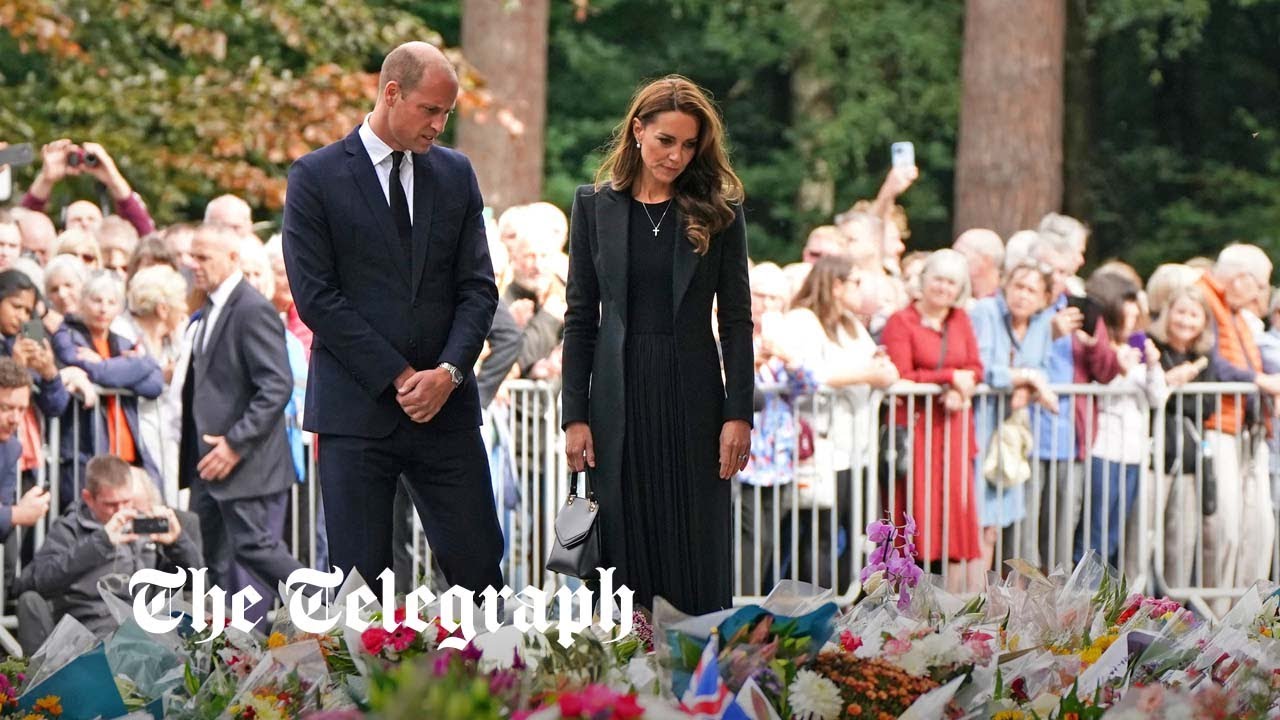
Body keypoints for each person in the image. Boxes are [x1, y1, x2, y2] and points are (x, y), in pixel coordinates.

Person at [283, 42, 503, 592]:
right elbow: (316, 297)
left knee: (480, 571)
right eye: (430, 110)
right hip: (356, 410)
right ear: (391, 93)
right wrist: (402, 378)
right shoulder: (315, 176)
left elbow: (478, 289)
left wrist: (448, 374)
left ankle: (498, 678)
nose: (439, 124)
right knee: (360, 587)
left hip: (446, 410)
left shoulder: (455, 173)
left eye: (446, 113)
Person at [561, 75, 753, 614]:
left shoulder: (719, 211)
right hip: (616, 402)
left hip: (694, 401)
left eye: (690, 144)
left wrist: (739, 413)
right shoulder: (594, 206)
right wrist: (573, 415)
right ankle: (623, 685)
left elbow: (737, 321)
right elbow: (580, 318)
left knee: (696, 545)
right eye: (666, 140)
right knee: (619, 555)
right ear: (638, 130)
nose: (677, 155)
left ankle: (699, 681)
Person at [180, 222, 301, 614]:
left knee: (258, 551)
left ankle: (327, 607)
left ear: (232, 259)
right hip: (207, 466)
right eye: (191, 255)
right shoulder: (209, 307)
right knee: (209, 564)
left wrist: (235, 443)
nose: (192, 264)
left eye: (202, 257)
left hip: (245, 464)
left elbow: (276, 385)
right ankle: (220, 658)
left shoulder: (251, 309)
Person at [15, 455, 200, 651]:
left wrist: (177, 543)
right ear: (89, 498)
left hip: (146, 630)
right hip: (89, 635)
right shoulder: (69, 529)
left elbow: (197, 583)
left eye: (126, 502)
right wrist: (100, 542)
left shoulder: (143, 524)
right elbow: (33, 582)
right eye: (110, 505)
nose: (120, 511)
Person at [881, 249, 984, 592]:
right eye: (938, 279)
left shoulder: (960, 321)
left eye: (951, 282)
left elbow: (975, 367)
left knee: (949, 513)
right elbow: (901, 374)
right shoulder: (901, 321)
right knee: (915, 508)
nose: (944, 288)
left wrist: (961, 387)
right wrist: (949, 377)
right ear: (923, 281)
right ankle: (906, 590)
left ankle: (942, 597)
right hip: (916, 431)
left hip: (952, 431)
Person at [969, 258, 1057, 572]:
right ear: (1005, 285)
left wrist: (1029, 387)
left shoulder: (1042, 324)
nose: (1023, 295)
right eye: (1018, 286)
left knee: (994, 523)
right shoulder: (985, 312)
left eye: (1032, 290)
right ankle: (962, 600)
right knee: (974, 518)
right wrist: (1026, 379)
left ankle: (978, 604)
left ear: (1044, 298)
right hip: (978, 423)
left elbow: (1044, 367)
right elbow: (982, 365)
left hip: (1011, 429)